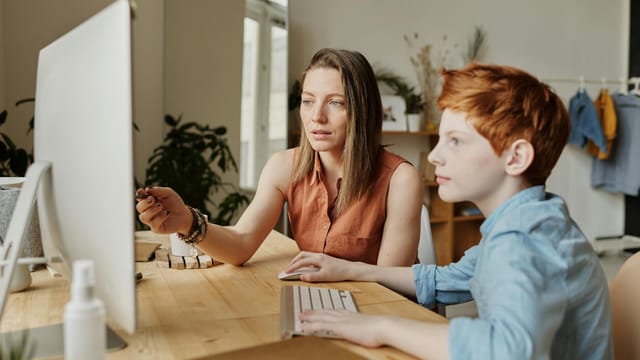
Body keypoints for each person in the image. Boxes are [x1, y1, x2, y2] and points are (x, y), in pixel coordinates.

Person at [288, 63, 613, 359]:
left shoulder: (522, 241)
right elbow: (448, 279)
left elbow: (506, 350)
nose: (434, 156)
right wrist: (351, 269)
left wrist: (380, 328)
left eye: (455, 141)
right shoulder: (531, 220)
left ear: (515, 158)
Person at [135, 48, 423, 267]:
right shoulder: (284, 166)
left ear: (363, 110)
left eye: (336, 103)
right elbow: (241, 244)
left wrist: (333, 273)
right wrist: (186, 220)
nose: (316, 117)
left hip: (381, 316)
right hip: (323, 306)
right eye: (308, 101)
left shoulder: (401, 180)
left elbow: (390, 285)